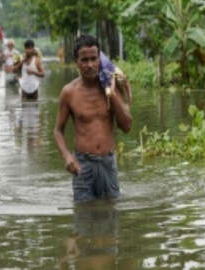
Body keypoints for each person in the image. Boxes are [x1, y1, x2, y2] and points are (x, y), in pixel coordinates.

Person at [54, 34, 132, 204]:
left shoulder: (111, 87)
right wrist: (67, 156)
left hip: (107, 163)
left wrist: (112, 93)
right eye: (84, 60)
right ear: (76, 62)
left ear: (99, 59)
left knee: (111, 214)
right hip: (82, 166)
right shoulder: (69, 92)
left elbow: (126, 127)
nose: (89, 64)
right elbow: (58, 131)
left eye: (93, 59)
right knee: (83, 216)